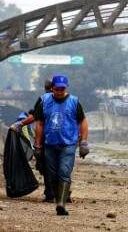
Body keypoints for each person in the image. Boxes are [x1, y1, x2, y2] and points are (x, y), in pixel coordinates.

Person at [34, 74, 89, 216]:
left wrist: (83, 142)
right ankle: (58, 199)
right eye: (57, 89)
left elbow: (83, 121)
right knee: (52, 175)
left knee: (64, 172)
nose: (59, 92)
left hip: (68, 144)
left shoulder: (74, 102)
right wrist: (38, 145)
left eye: (62, 89)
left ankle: (61, 204)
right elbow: (39, 123)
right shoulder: (44, 101)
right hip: (50, 144)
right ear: (52, 88)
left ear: (66, 88)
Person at [10, 79, 56, 202]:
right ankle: (63, 192)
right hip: (64, 139)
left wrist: (20, 124)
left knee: (46, 166)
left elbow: (35, 117)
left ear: (46, 88)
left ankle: (51, 193)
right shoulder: (68, 99)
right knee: (62, 165)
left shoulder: (43, 99)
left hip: (47, 138)